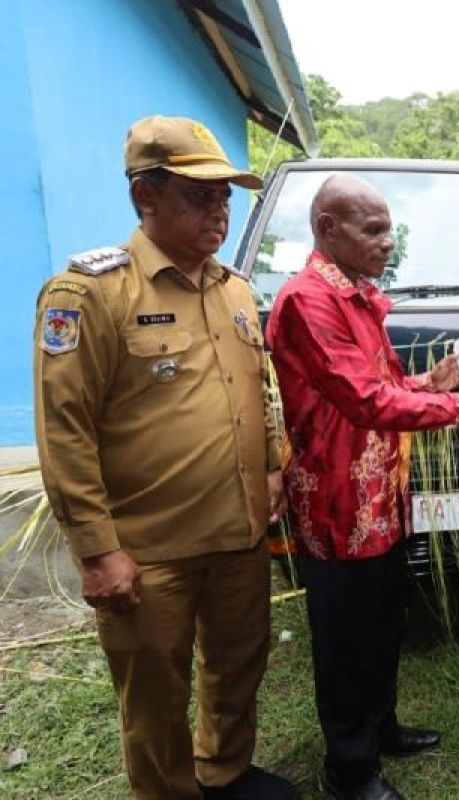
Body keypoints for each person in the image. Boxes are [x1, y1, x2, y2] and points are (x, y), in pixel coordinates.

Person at [33, 116, 296, 799]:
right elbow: (65, 431)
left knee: (238, 666)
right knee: (154, 695)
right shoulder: (90, 295)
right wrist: (97, 550)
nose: (220, 211)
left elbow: (259, 389)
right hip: (148, 551)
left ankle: (225, 771)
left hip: (237, 534)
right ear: (143, 198)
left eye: (225, 197)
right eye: (199, 196)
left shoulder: (233, 287)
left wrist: (272, 464)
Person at [265, 174, 459, 800]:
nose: (386, 241)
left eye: (388, 229)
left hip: (381, 498)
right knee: (345, 638)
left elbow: (390, 387)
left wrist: (436, 381)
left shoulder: (357, 296)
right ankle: (349, 767)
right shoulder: (308, 301)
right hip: (336, 504)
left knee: (384, 621)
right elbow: (367, 400)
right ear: (327, 229)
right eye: (371, 229)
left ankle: (381, 729)